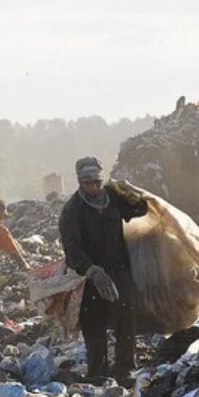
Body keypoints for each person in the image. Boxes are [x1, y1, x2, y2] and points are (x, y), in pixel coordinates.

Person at [59, 157, 149, 382]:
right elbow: (72, 249)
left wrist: (132, 194)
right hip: (90, 276)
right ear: (80, 183)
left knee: (126, 314)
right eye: (88, 183)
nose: (94, 187)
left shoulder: (114, 198)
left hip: (119, 268)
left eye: (97, 182)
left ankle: (125, 368)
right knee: (93, 322)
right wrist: (91, 270)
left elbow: (140, 211)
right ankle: (97, 371)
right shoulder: (72, 210)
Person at [0, 199, 31, 272]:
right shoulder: (0, 230)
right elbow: (14, 252)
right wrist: (24, 266)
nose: (3, 219)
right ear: (0, 212)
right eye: (3, 216)